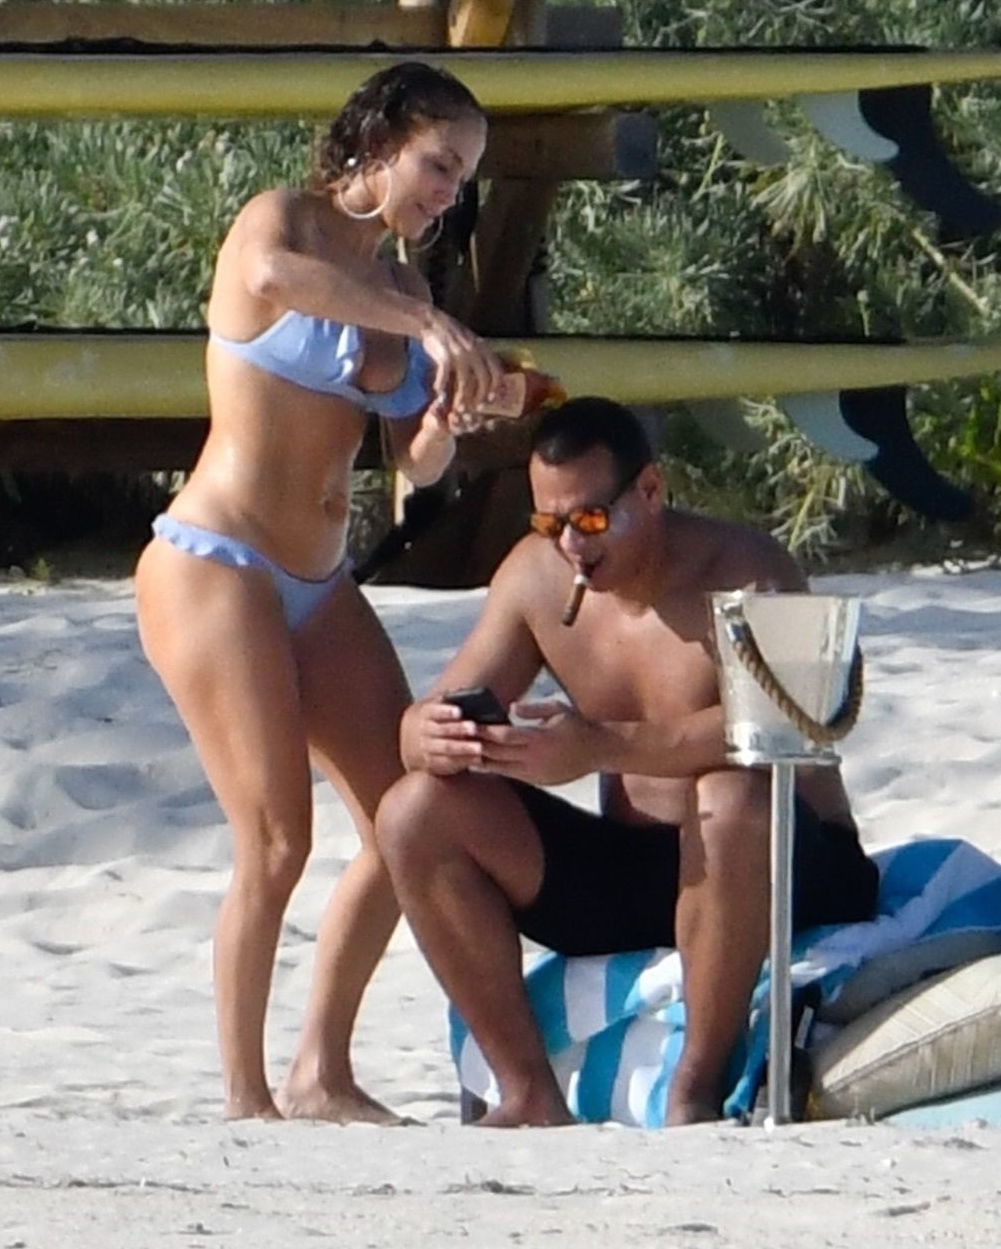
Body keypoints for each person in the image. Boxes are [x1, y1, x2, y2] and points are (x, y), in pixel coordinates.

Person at [134, 61, 503, 1123]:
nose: (448, 193)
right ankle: (245, 1097)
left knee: (408, 816)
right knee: (277, 841)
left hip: (319, 578)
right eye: (439, 164)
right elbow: (279, 279)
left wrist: (448, 421)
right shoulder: (280, 222)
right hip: (218, 560)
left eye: (463, 177)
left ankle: (320, 1070)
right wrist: (424, 328)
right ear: (380, 142)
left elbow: (412, 464)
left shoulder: (406, 292)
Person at [376, 396, 882, 1127]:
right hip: (635, 872)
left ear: (649, 490)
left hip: (779, 862)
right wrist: (427, 734)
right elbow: (430, 716)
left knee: (729, 796)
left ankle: (695, 1090)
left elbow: (786, 729)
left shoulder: (748, 570)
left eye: (589, 520)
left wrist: (600, 748)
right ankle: (527, 1093)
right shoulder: (536, 580)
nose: (571, 545)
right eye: (549, 524)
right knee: (414, 811)